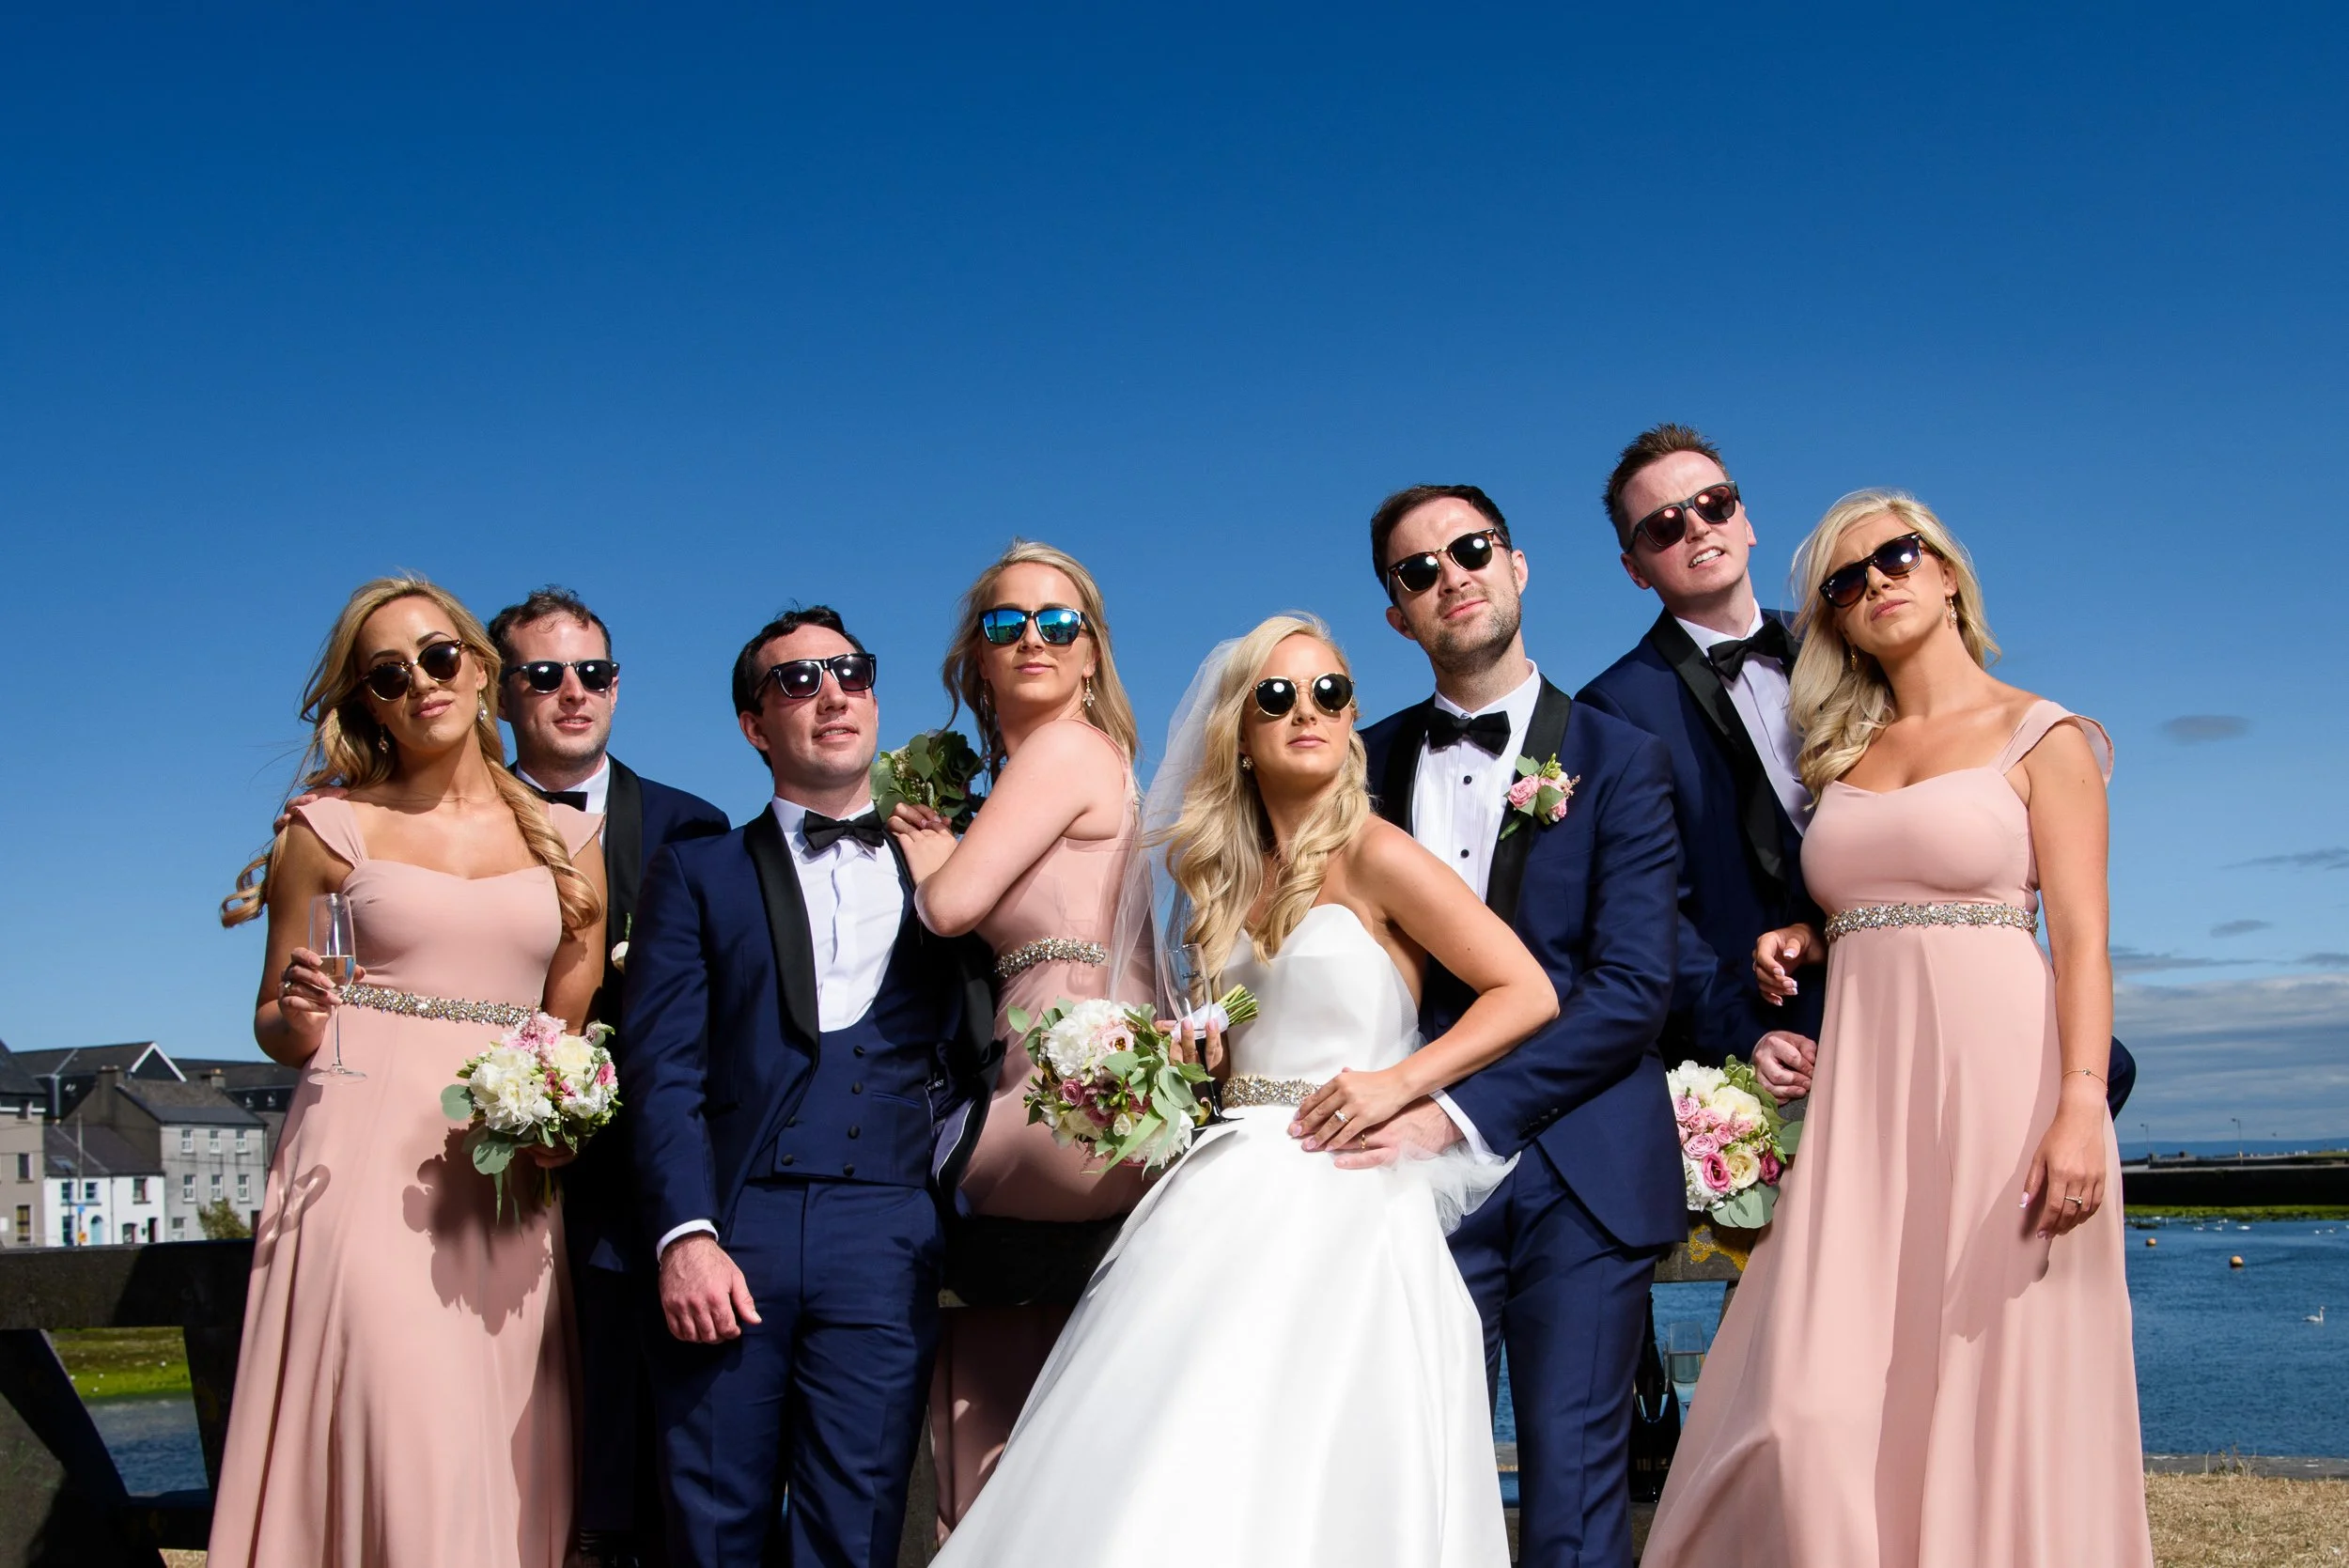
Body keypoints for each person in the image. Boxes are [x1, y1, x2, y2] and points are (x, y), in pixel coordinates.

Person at [931, 615, 1556, 1567]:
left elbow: (1526, 991)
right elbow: (1232, 1065)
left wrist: (1398, 1084)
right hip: (1223, 1186)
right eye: (1277, 696)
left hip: (1346, 1194)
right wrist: (1196, 1057)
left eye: (1330, 693)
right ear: (1241, 734)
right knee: (1180, 1449)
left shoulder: (1377, 852)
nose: (1308, 711)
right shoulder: (1215, 883)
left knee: (1317, 1452)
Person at [1642, 492, 2153, 1567]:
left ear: (1947, 572)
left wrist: (2076, 1108)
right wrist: (1809, 933)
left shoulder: (2045, 734)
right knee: (1804, 1406)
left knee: (1997, 1400)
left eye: (1897, 555)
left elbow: (2080, 943)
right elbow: (1884, 895)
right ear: (1831, 618)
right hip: (1864, 1113)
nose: (1875, 581)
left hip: (2006, 1096)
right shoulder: (1843, 753)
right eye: (1844, 579)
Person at [210, 576, 607, 1566]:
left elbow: (565, 1034)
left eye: (437, 657)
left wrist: (561, 1126)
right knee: (402, 1427)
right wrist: (298, 1013)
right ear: (368, 703)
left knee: (489, 1450)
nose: (420, 683)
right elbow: (275, 1022)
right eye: (388, 675)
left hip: (503, 1184)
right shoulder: (327, 828)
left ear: (479, 668)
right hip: (362, 1171)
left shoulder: (570, 841)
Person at [621, 606, 999, 1568]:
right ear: (755, 725)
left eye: (851, 672)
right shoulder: (696, 871)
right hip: (733, 1226)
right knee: (713, 1529)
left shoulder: (956, 860)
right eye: (798, 680)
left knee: (856, 1528)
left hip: (886, 1230)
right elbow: (661, 1067)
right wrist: (684, 1236)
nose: (832, 694)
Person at [1353, 485, 1684, 1568]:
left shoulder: (1621, 757)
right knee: (1409, 1488)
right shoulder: (1356, 769)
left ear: (1516, 564)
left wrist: (1455, 1111)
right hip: (1401, 1177)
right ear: (1397, 613)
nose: (1450, 576)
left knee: (1572, 1503)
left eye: (1471, 549)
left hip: (1580, 1170)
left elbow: (1631, 989)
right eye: (1418, 571)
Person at [882, 541, 1151, 1531]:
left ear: (1091, 652)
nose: (1033, 637)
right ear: (979, 656)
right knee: (1033, 1410)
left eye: (1058, 621)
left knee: (882, 1200)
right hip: (1090, 1102)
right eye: (1007, 623)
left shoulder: (1064, 751)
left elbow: (951, 905)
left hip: (1055, 1100)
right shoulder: (1086, 765)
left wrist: (929, 857)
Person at [488, 585, 730, 1568]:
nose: (573, 692)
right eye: (545, 674)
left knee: (636, 1466)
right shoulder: (456, 826)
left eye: (592, 672)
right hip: (475, 1184)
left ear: (618, 687)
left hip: (630, 1202)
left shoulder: (693, 825)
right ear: (502, 694)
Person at [1577, 425, 1827, 1084]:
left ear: (1746, 520)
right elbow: (1650, 913)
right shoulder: (1612, 708)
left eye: (1714, 503)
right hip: (1780, 1025)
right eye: (1662, 525)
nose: (1695, 527)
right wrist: (1746, 1034)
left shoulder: (1840, 641)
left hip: (1909, 963)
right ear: (1635, 569)